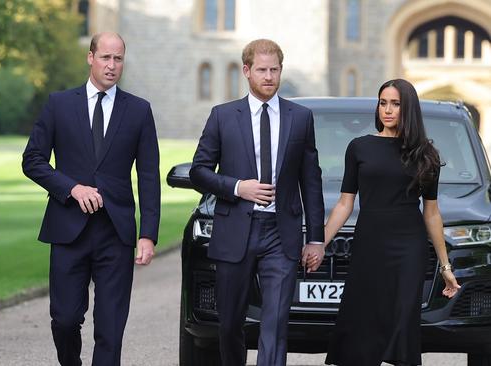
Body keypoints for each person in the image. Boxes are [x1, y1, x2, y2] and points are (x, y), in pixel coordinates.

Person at [21, 32, 160, 366]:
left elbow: (149, 177)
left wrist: (148, 234)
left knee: (111, 327)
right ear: (91, 57)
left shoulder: (139, 111)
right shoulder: (59, 104)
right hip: (69, 230)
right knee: (65, 319)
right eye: (106, 58)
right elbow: (33, 161)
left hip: (117, 232)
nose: (112, 66)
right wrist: (71, 188)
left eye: (118, 59)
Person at [189, 39, 325, 366]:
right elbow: (199, 172)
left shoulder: (300, 117)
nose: (269, 76)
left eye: (274, 70)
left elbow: (311, 180)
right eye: (262, 70)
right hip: (236, 229)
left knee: (275, 322)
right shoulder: (222, 116)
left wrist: (316, 239)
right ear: (247, 71)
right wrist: (238, 187)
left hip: (281, 233)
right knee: (230, 322)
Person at [320, 79, 460, 366]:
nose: (387, 110)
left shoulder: (426, 155)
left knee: (403, 319)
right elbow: (345, 203)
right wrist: (319, 243)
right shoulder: (359, 147)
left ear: (408, 109)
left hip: (409, 247)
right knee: (363, 315)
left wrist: (445, 267)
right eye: (383, 102)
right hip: (369, 243)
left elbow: (431, 212)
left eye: (395, 104)